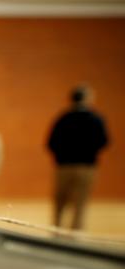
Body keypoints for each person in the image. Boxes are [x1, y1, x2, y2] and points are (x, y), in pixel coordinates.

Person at [48, 85, 109, 230]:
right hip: (86, 167)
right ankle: (76, 235)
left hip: (63, 166)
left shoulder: (63, 118)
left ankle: (56, 232)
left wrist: (62, 156)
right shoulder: (96, 119)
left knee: (60, 202)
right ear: (87, 99)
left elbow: (51, 142)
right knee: (80, 204)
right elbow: (104, 141)